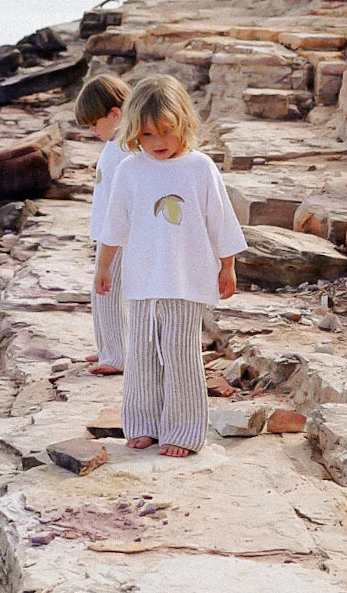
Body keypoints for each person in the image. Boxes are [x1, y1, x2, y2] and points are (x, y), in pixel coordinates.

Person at [95, 74, 246, 457]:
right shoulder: (129, 170)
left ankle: (183, 430)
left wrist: (227, 266)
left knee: (180, 355)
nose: (158, 143)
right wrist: (104, 268)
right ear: (133, 133)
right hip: (142, 279)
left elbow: (221, 220)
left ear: (184, 124)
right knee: (142, 353)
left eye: (166, 132)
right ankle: (143, 424)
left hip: (186, 279)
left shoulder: (200, 168)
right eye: (147, 135)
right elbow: (114, 226)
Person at [74, 72, 130, 376]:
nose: (92, 130)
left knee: (110, 290)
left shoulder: (127, 147)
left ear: (115, 114)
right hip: (107, 231)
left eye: (95, 123)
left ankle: (117, 353)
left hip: (119, 234)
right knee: (102, 291)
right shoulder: (114, 142)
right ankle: (108, 346)